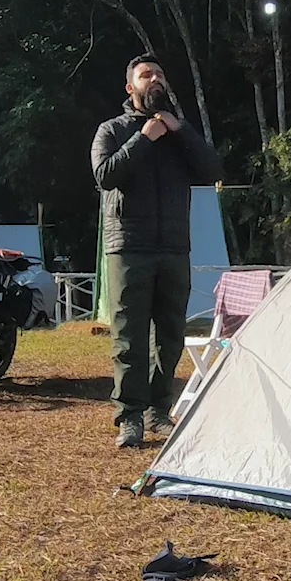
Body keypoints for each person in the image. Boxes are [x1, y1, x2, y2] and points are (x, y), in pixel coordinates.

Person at [92, 54, 223, 448]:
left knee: (170, 335)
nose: (156, 80)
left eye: (160, 75)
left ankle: (158, 412)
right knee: (129, 335)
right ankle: (129, 416)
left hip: (173, 246)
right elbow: (106, 174)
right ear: (131, 88)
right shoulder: (111, 130)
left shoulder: (178, 134)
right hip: (128, 245)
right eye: (146, 75)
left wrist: (179, 131)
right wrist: (144, 137)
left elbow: (214, 170)